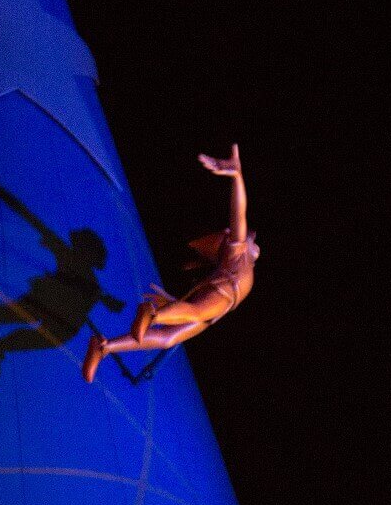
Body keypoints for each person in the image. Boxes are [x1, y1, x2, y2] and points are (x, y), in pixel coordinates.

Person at [82, 144, 259, 382]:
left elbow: (199, 301)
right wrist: (237, 177)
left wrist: (175, 307)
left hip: (217, 307)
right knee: (189, 315)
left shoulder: (234, 261)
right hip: (222, 296)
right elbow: (239, 212)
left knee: (167, 338)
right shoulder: (237, 249)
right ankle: (153, 313)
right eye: (250, 237)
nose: (253, 239)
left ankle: (103, 347)